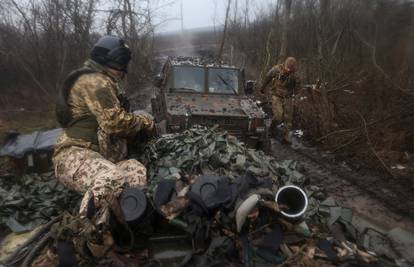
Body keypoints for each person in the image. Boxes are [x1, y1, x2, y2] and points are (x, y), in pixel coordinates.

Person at [53, 36, 154, 219]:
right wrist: (145, 122)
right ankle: (85, 235)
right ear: (111, 61)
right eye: (122, 64)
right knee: (113, 177)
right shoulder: (95, 81)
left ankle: (123, 227)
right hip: (74, 154)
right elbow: (115, 122)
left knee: (135, 170)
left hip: (98, 156)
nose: (124, 72)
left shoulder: (102, 82)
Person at [260, 57, 298, 143]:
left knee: (288, 118)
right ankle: (272, 128)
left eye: (291, 68)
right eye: (288, 68)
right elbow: (268, 77)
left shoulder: (295, 73)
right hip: (277, 95)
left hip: (288, 96)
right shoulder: (276, 69)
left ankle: (286, 137)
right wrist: (262, 88)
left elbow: (299, 85)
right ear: (285, 64)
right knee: (278, 116)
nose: (288, 70)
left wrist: (295, 94)